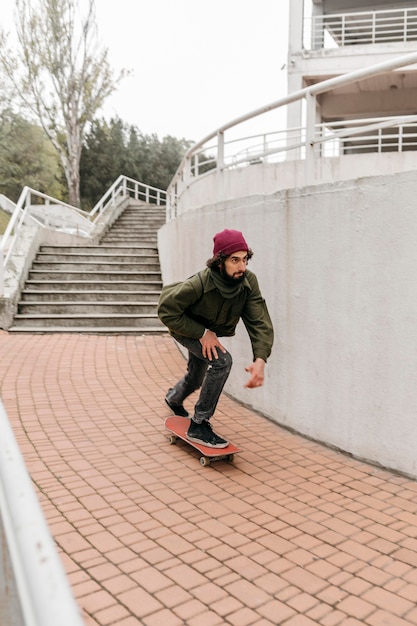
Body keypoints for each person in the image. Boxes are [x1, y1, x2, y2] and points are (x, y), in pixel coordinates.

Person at [157, 228, 274, 448]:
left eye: (245, 259)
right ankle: (199, 425)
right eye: (234, 260)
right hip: (186, 328)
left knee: (197, 376)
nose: (242, 267)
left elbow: (259, 321)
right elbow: (166, 311)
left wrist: (261, 358)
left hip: (207, 334)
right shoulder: (199, 283)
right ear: (219, 262)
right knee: (222, 361)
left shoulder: (248, 283)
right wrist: (202, 333)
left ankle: (174, 398)